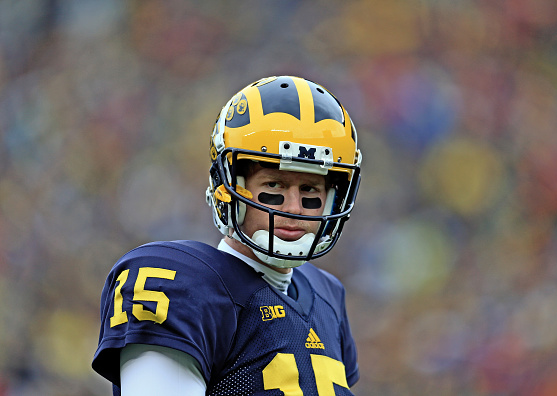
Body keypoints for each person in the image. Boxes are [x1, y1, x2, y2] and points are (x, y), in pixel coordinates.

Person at [92, 75, 363, 395]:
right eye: (274, 186)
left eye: (310, 190)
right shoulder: (180, 283)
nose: (294, 207)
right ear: (229, 188)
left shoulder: (328, 296)